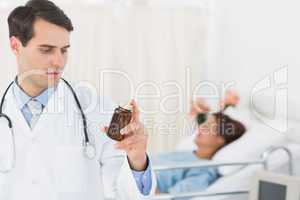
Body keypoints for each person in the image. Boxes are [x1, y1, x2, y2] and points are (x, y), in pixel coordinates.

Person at [0, 0, 155, 199]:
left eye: (64, 50)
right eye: (46, 50)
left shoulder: (97, 109)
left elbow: (122, 192)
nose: (59, 61)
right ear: (15, 45)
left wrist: (137, 160)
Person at [153, 91, 246, 194]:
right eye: (203, 124)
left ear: (221, 139)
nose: (200, 127)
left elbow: (168, 198)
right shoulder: (185, 153)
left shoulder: (204, 170)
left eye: (207, 127)